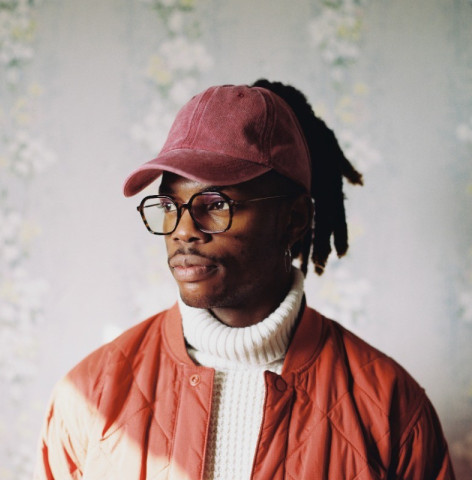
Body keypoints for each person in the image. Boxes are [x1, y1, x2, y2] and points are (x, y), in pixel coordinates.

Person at [34, 80, 455, 479]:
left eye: (216, 203)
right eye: (170, 205)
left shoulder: (390, 407)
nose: (183, 230)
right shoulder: (89, 394)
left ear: (294, 218)